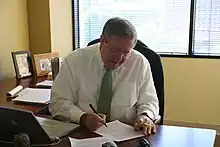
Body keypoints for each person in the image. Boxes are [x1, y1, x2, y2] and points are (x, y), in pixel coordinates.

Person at [49, 17, 159, 136]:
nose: (119, 58)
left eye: (126, 52)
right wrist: (83, 117)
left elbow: (149, 101)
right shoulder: (75, 61)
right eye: (115, 50)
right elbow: (58, 102)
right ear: (102, 40)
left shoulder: (140, 63)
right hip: (83, 133)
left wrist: (145, 115)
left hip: (127, 134)